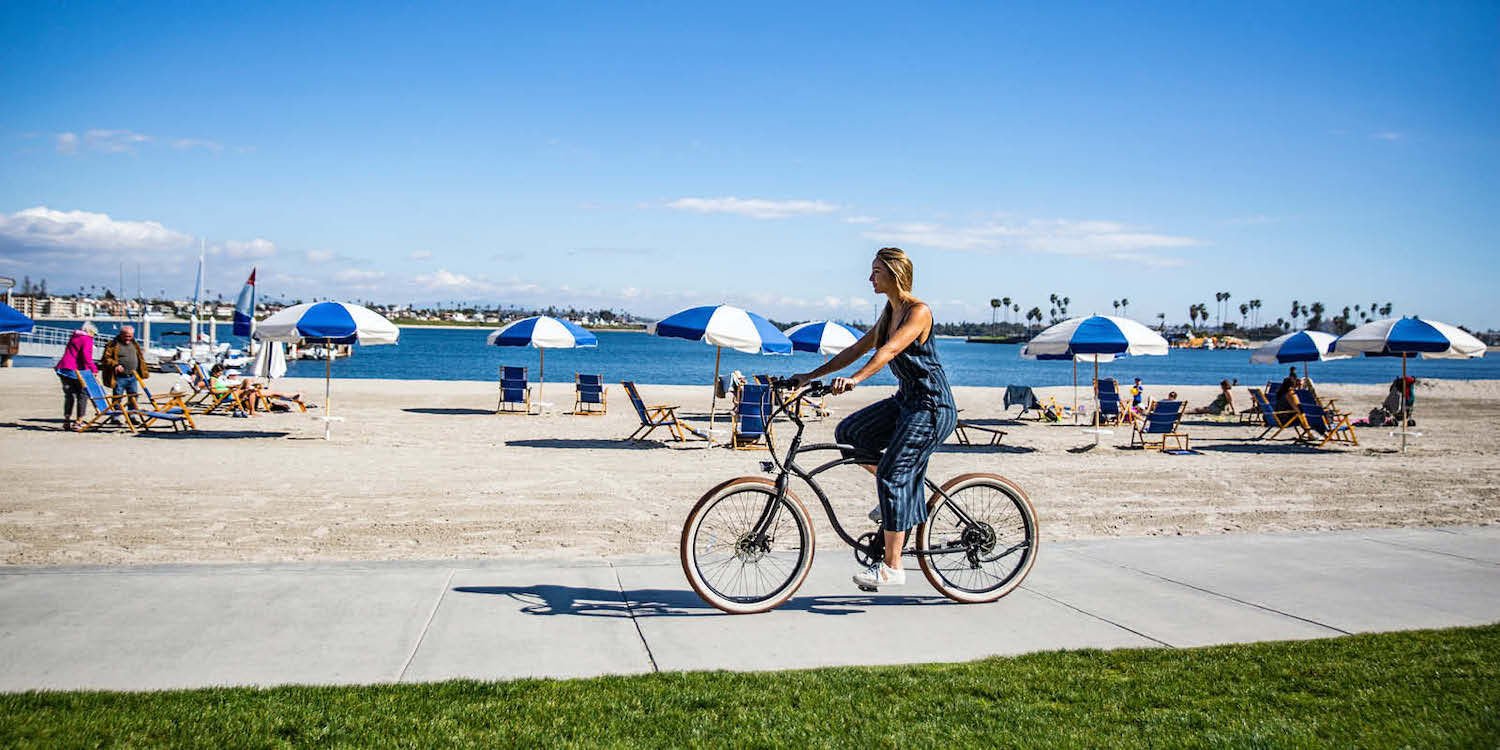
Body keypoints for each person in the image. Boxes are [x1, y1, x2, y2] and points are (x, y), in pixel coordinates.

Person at [789, 247, 957, 590]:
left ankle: (892, 567)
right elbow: (855, 350)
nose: (870, 278)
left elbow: (890, 350)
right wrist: (809, 376)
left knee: (893, 476)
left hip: (932, 406)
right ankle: (900, 496)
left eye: (876, 272)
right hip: (906, 401)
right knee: (850, 433)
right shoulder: (889, 313)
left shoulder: (918, 311)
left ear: (895, 274)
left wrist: (856, 380)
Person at [54, 321, 100, 431]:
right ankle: (78, 421)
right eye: (94, 334)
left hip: (63, 368)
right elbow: (86, 357)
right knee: (82, 394)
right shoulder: (87, 339)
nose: (94, 336)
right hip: (75, 370)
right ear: (89, 331)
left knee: (69, 396)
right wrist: (94, 370)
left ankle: (66, 420)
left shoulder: (74, 337)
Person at [100, 325, 149, 411]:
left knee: (133, 397)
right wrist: (115, 365)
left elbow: (139, 357)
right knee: (117, 398)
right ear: (121, 334)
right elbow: (106, 359)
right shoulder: (113, 345)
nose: (128, 338)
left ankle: (132, 416)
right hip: (119, 377)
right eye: (126, 336)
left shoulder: (134, 343)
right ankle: (116, 417)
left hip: (133, 376)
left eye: (130, 336)